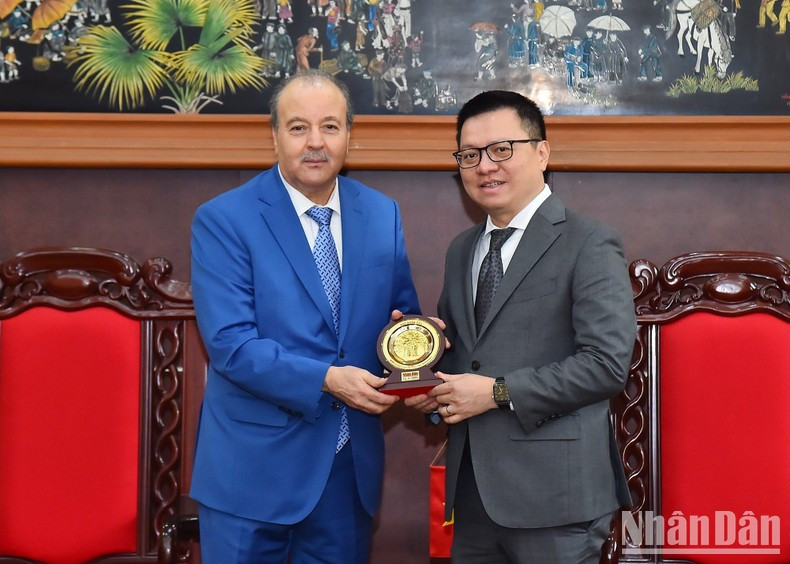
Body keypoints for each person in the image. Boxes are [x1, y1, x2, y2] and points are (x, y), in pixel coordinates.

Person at [190, 69, 421, 563]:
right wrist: (327, 379)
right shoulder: (224, 219)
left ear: (349, 136)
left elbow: (400, 318)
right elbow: (232, 345)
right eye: (298, 127)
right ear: (273, 135)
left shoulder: (382, 214)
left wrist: (415, 345)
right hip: (250, 474)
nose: (315, 142)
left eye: (330, 127)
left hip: (346, 472)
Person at [406, 90, 635, 563]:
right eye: (470, 155)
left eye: (501, 149)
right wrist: (425, 375)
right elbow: (466, 358)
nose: (485, 166)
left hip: (555, 501)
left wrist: (497, 392)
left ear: (543, 152)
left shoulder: (588, 241)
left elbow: (606, 365)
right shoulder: (461, 249)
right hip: (471, 499)